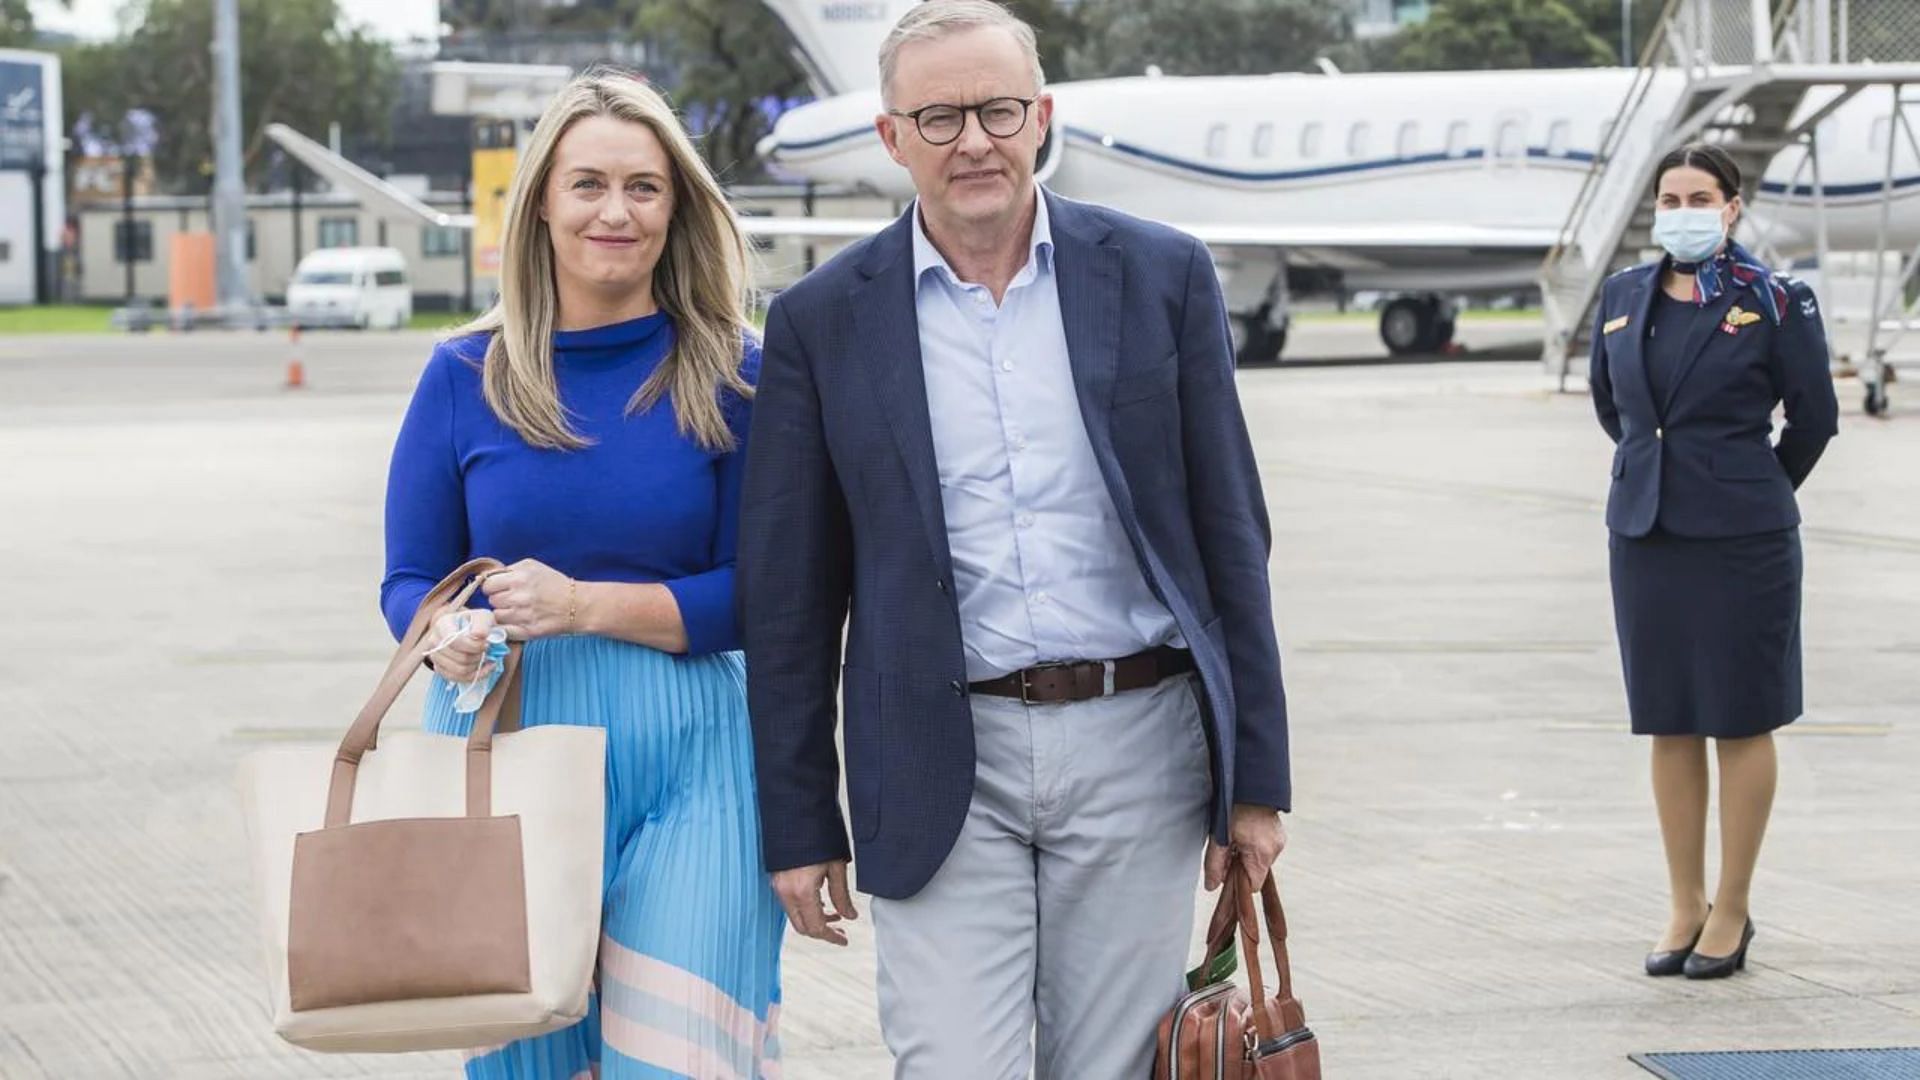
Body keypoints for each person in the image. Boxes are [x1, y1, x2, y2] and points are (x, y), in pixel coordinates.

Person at [737, 2, 1293, 1076]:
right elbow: (792, 599)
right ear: (891, 138)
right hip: (939, 757)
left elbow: (1232, 541)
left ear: (1041, 117)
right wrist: (800, 820)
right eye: (938, 118)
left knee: (1113, 1067)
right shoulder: (819, 322)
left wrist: (1254, 781)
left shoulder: (1161, 276)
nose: (974, 141)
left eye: (996, 110)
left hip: (1139, 742)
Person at [379, 71, 784, 1078]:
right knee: (525, 1065)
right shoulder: (462, 375)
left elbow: (770, 594)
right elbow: (411, 578)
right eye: (589, 184)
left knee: (679, 1061)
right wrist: (440, 639)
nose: (617, 211)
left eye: (644, 187)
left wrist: (584, 605)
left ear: (677, 206)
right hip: (501, 741)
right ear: (543, 205)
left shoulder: (737, 371)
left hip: (693, 762)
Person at [1589, 142, 1839, 981]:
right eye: (1671, 196)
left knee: (1739, 716)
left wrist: (1747, 485)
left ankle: (1732, 906)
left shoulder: (1774, 298)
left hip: (1742, 538)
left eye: (1701, 196)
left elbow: (1814, 417)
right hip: (1647, 534)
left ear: (1732, 207)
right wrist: (1660, 476)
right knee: (1668, 719)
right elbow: (1613, 407)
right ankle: (1683, 901)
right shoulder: (1624, 296)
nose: (1683, 210)